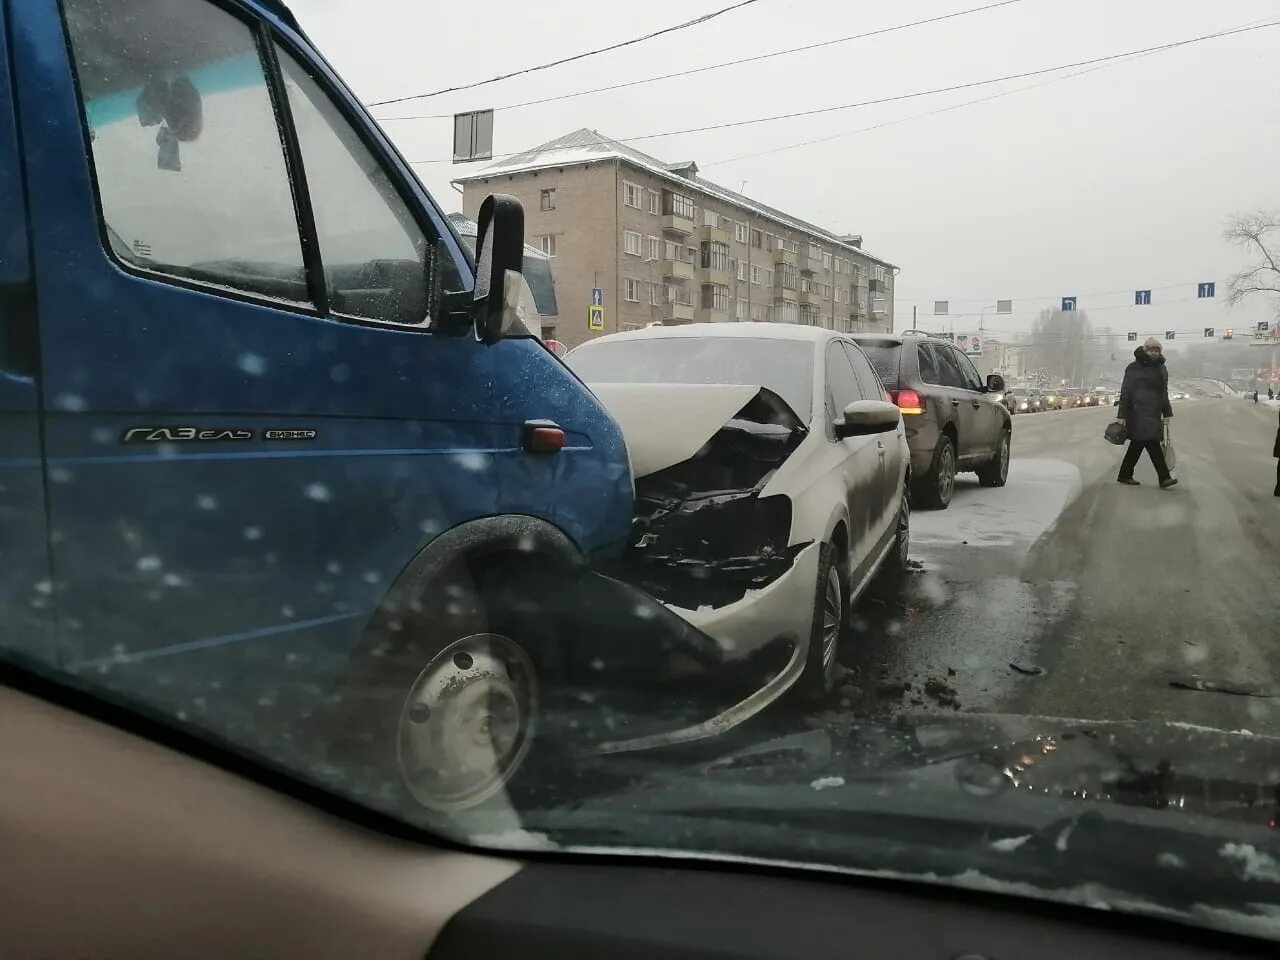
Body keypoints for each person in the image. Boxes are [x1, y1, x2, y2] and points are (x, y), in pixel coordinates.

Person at [1116, 338, 1176, 489]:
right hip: (1137, 412)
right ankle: (1164, 478)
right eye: (1151, 350)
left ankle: (1124, 474)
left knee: (1138, 444)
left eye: (1157, 350)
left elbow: (1164, 392)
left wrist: (1167, 412)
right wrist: (1122, 415)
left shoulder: (1162, 368)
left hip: (1154, 412)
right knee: (1152, 442)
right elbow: (1126, 391)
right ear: (1145, 350)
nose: (1154, 353)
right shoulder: (1133, 368)